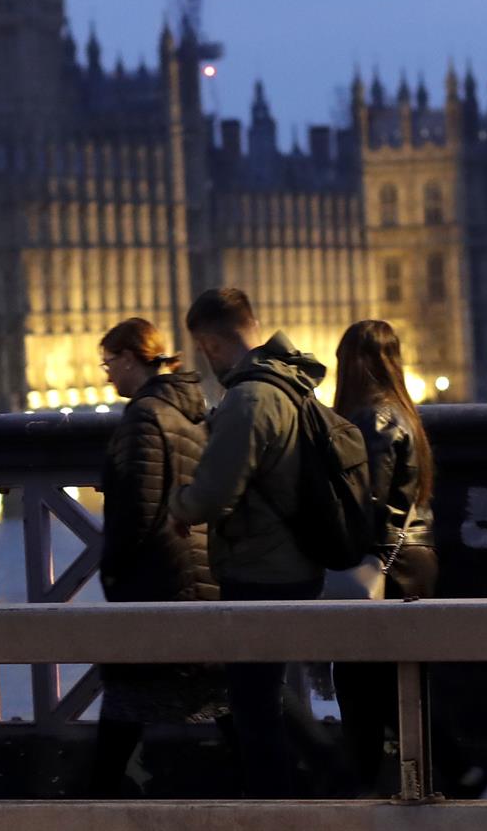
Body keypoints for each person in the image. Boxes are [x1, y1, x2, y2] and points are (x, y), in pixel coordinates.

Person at [169, 287, 325, 799]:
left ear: (210, 345)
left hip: (260, 568)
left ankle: (276, 808)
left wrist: (178, 504)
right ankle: (325, 779)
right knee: (268, 695)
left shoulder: (248, 398)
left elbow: (212, 494)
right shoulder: (292, 382)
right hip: (297, 559)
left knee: (254, 709)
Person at [90, 317, 225, 797]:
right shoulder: (190, 410)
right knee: (220, 692)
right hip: (198, 574)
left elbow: (138, 511)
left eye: (109, 362)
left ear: (131, 358)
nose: (107, 373)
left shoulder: (145, 416)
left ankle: (94, 800)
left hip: (158, 581)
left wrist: (113, 572)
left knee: (130, 694)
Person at [328, 319, 439, 794]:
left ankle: (362, 791)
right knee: (404, 685)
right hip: (415, 557)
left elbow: (369, 502)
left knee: (360, 688)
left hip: (385, 566)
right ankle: (448, 776)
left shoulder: (373, 417)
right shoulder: (403, 412)